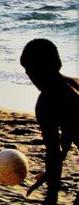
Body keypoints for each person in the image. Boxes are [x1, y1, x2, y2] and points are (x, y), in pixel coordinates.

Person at [20, 38, 79, 204]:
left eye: (29, 70)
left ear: (39, 70)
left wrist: (51, 197)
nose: (28, 75)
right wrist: (50, 172)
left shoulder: (47, 101)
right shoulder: (73, 83)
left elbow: (53, 152)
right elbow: (71, 130)